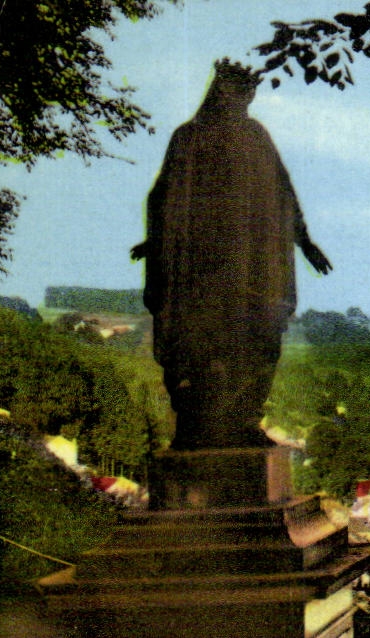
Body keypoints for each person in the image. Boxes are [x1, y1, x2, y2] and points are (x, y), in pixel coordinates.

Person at [134, 59, 332, 449]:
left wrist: (303, 240)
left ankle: (242, 421)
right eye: (237, 95)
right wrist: (156, 240)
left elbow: (282, 193)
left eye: (248, 97)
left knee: (257, 340)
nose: (243, 103)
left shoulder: (255, 137)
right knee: (199, 347)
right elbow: (163, 197)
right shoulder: (188, 138)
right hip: (201, 274)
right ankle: (195, 428)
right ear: (219, 94)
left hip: (251, 270)